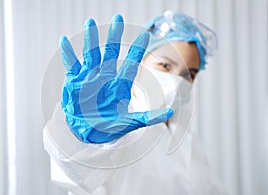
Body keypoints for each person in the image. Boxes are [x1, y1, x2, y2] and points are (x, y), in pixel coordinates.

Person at [43, 11, 227, 195]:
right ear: (139, 63)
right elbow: (77, 170)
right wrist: (84, 138)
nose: (178, 80)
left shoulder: (188, 140)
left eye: (189, 74)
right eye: (165, 65)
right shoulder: (119, 129)